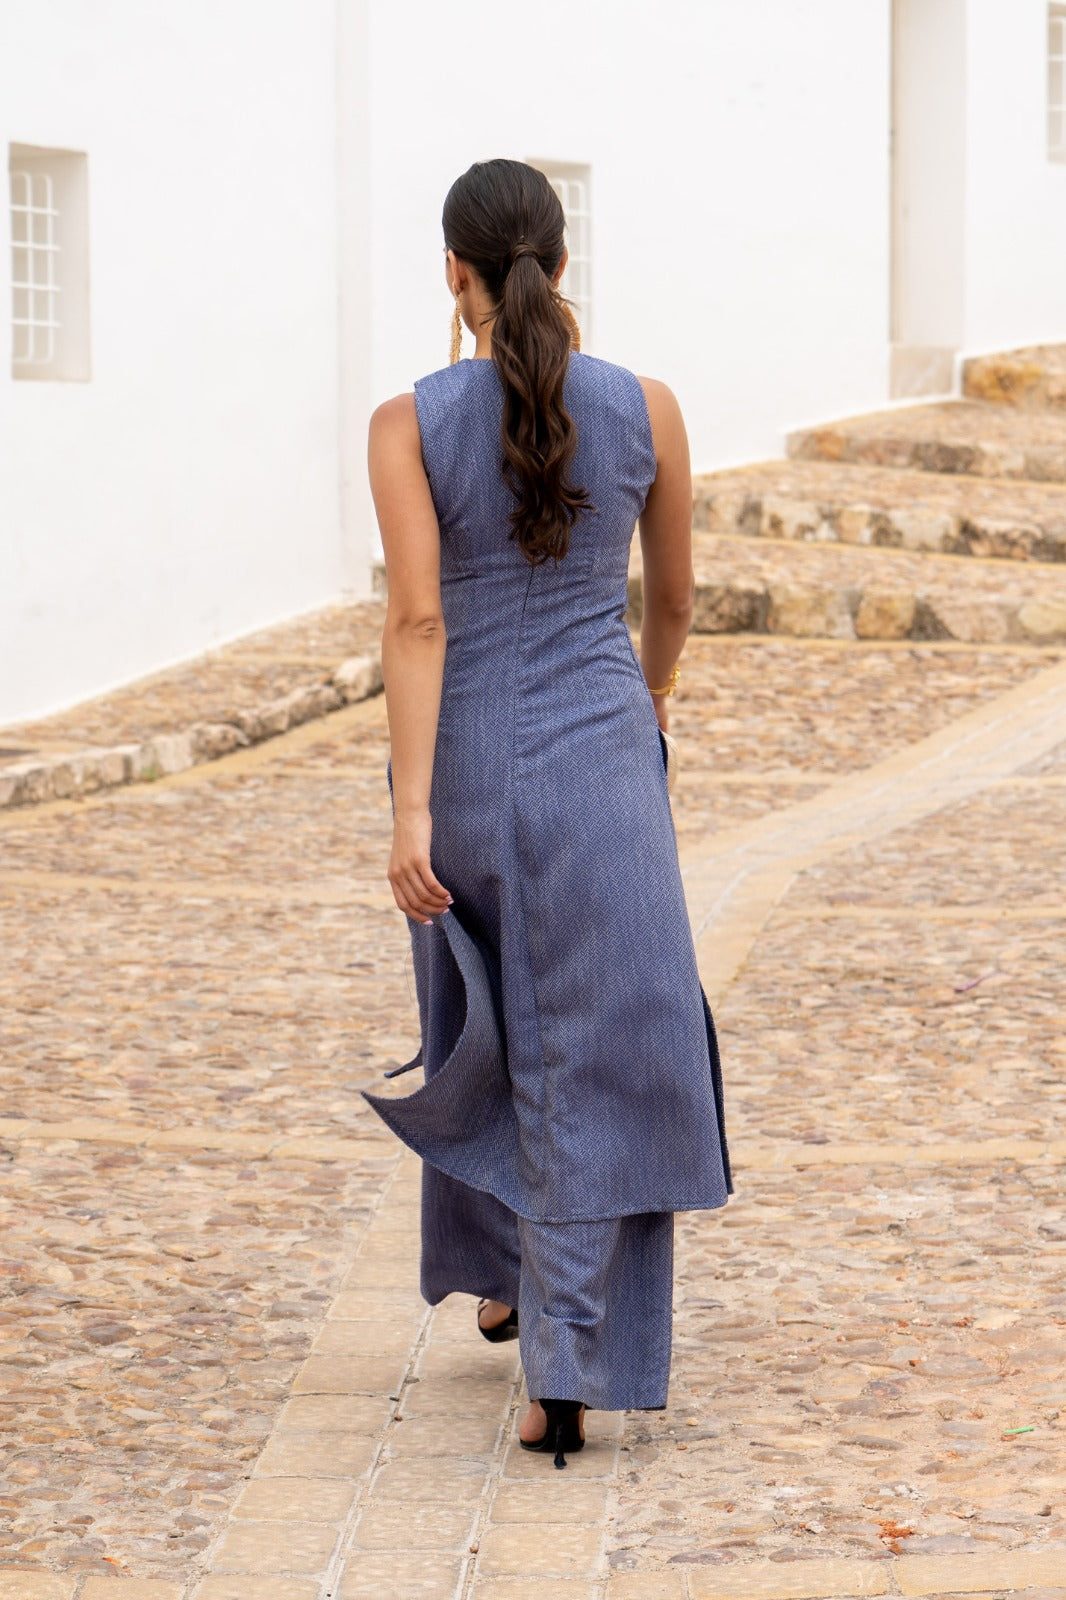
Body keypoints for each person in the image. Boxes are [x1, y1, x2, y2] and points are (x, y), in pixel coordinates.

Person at [364, 158, 731, 1469]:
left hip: (461, 767)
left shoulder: (405, 423)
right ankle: (562, 1369)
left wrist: (412, 813)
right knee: (598, 1049)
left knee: (485, 1026)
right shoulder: (650, 407)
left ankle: (508, 1282)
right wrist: (649, 698)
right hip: (600, 763)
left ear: (453, 274)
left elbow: (418, 621)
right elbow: (671, 600)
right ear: (562, 267)